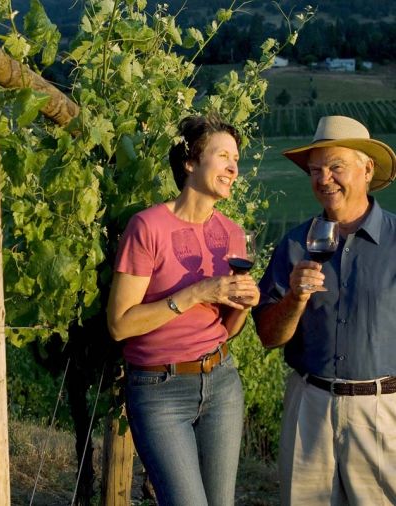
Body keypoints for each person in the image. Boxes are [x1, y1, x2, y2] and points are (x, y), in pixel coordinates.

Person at [107, 113, 260, 506]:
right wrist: (195, 293)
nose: (233, 167)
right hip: (160, 392)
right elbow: (120, 325)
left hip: (221, 382)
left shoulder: (233, 234)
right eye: (223, 155)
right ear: (190, 162)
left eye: (236, 159)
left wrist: (243, 304)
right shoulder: (147, 227)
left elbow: (228, 328)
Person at [252, 115, 396, 505]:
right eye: (315, 170)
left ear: (366, 169)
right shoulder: (295, 244)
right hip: (310, 406)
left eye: (335, 167)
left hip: (383, 412)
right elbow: (269, 336)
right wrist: (294, 299)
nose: (323, 179)